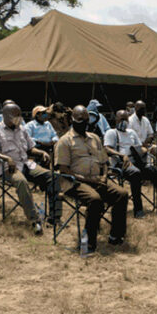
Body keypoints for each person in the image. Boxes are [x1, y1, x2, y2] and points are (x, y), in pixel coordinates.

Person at [54, 106, 130, 250]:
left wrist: (104, 176)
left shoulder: (94, 138)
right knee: (95, 199)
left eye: (87, 120)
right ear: (72, 120)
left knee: (122, 194)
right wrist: (91, 181)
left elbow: (104, 162)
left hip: (97, 179)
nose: (84, 123)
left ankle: (116, 236)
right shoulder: (65, 141)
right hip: (74, 182)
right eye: (80, 120)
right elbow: (64, 170)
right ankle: (88, 241)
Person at [0, 103, 55, 235]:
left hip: (26, 163)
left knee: (51, 176)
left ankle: (54, 218)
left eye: (20, 115)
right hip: (8, 167)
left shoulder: (22, 129)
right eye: (16, 115)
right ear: (6, 116)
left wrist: (41, 152)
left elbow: (30, 148)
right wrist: (7, 158)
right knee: (21, 182)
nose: (19, 118)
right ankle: (35, 220)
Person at [103, 110, 157, 218]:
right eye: (121, 119)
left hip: (136, 161)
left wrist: (143, 151)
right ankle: (138, 210)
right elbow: (107, 149)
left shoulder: (131, 132)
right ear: (116, 120)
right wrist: (122, 155)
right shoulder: (111, 133)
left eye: (126, 119)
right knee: (136, 173)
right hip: (122, 164)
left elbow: (140, 147)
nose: (124, 122)